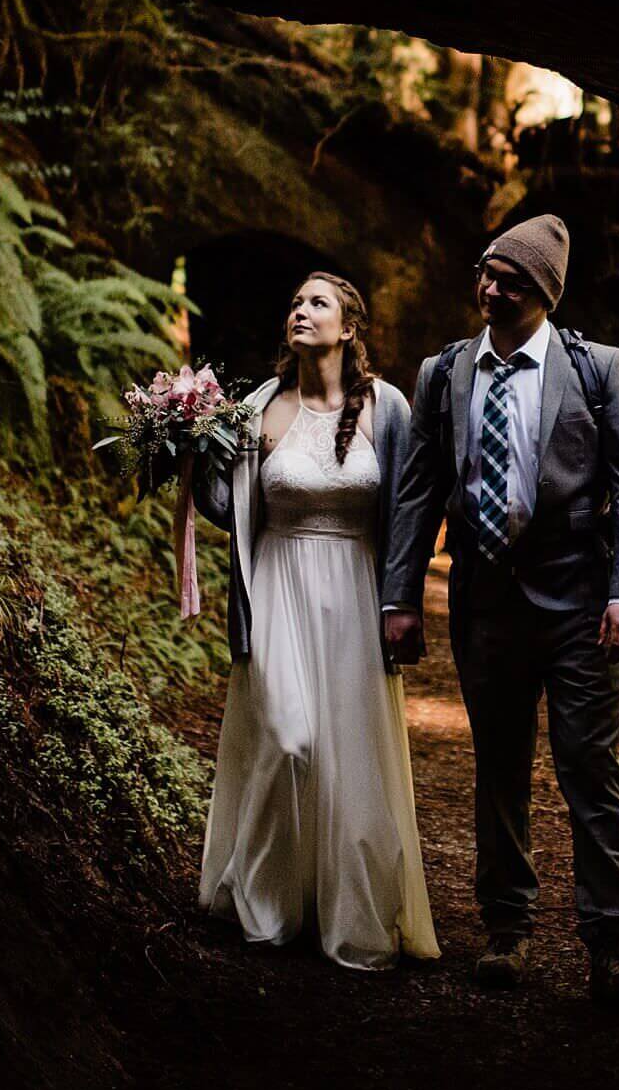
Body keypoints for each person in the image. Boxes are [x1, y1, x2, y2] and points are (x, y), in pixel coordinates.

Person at [382, 215, 619, 1007]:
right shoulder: (445, 372)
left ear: (545, 293)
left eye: (510, 280)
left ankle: (614, 943)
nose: (491, 289)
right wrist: (401, 594)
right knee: (499, 766)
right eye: (487, 274)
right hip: (486, 600)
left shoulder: (600, 368)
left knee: (588, 765)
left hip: (580, 602)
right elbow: (420, 486)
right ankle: (507, 926)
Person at [185, 272, 439, 973]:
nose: (301, 310)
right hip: (278, 585)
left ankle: (343, 906)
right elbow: (226, 506)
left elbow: (413, 507)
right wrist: (185, 440)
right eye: (294, 301)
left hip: (354, 591)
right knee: (288, 740)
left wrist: (402, 596)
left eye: (317, 303)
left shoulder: (387, 407)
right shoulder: (259, 408)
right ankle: (266, 903)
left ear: (349, 327)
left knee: (348, 757)